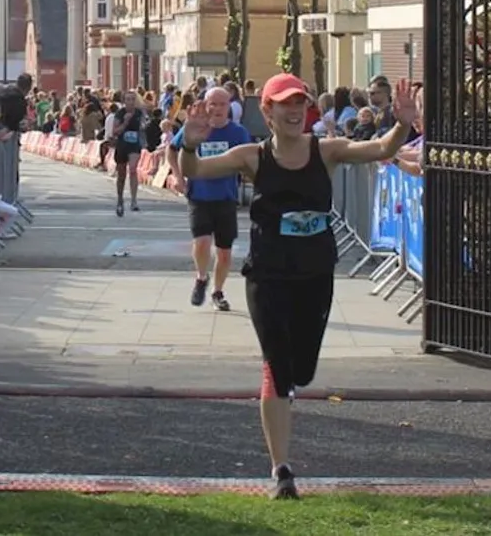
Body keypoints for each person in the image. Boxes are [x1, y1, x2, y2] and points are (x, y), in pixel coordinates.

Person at [180, 72, 420, 499]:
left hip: (314, 273)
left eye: (300, 103)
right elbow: (194, 169)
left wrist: (402, 124)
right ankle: (282, 471)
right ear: (267, 112)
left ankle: (290, 397)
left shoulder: (326, 150)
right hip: (268, 274)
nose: (294, 111)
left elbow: (381, 148)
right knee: (277, 364)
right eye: (284, 104)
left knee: (301, 368)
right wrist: (189, 143)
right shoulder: (251, 156)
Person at [178, 86, 248, 310]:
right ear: (205, 106)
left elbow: (249, 159)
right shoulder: (195, 128)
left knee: (224, 252)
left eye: (222, 104)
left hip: (226, 197)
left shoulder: (238, 133)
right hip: (200, 195)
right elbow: (173, 150)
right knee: (202, 242)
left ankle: (218, 292)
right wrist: (179, 177)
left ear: (230, 107)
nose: (218, 109)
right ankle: (201, 278)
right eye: (213, 104)